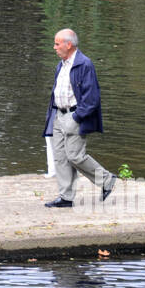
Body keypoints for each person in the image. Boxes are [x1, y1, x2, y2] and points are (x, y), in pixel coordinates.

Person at [43, 28, 115, 207]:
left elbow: (92, 99)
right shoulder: (62, 64)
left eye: (57, 44)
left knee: (75, 156)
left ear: (69, 45)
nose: (54, 47)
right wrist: (53, 116)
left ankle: (106, 180)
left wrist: (76, 117)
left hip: (74, 116)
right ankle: (66, 197)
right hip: (58, 115)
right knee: (60, 157)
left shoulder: (85, 64)